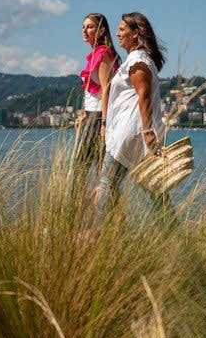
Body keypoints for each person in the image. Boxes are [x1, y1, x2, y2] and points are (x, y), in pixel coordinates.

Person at [93, 11, 170, 224]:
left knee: (107, 184)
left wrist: (147, 132)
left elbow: (144, 95)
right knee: (156, 191)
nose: (117, 34)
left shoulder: (137, 60)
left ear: (135, 33)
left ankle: (96, 234)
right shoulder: (138, 59)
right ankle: (174, 237)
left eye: (122, 30)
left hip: (130, 135)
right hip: (135, 135)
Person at [73, 13, 119, 188]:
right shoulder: (94, 54)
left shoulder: (103, 54)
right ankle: (105, 205)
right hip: (91, 116)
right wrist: (84, 114)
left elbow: (106, 88)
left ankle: (100, 204)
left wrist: (104, 123)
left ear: (101, 31)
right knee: (89, 169)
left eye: (90, 27)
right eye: (83, 27)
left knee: (87, 170)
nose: (84, 31)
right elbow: (93, 91)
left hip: (99, 117)